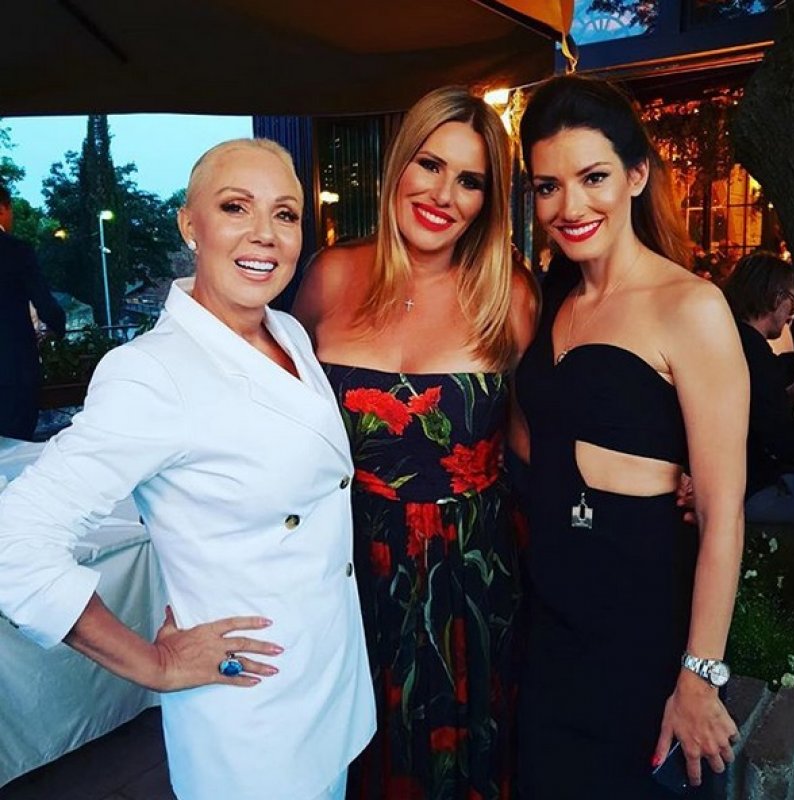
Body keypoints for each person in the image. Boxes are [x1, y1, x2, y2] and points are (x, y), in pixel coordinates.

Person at [0, 139, 375, 800]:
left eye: (285, 214)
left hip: (329, 687)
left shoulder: (287, 333)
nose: (265, 233)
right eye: (236, 207)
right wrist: (154, 665)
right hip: (249, 721)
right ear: (189, 224)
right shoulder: (151, 374)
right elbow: (14, 542)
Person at [293, 86, 537, 799]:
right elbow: (277, 421)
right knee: (350, 753)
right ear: (398, 164)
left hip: (471, 580)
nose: (443, 195)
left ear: (488, 200)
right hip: (344, 568)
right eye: (430, 164)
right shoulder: (329, 276)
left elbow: (538, 444)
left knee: (461, 766)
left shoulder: (510, 294)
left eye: (470, 180)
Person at [514, 75, 747, 799]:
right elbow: (531, 442)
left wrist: (699, 676)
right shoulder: (550, 299)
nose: (570, 206)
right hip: (548, 632)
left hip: (640, 638)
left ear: (637, 175)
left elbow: (723, 515)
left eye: (593, 178)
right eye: (548, 186)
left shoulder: (692, 307)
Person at [723, 250, 794, 524]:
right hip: (755, 489)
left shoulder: (732, 339)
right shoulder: (752, 352)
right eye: (792, 301)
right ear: (777, 298)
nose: (792, 312)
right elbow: (780, 436)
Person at [0, 184, 66, 440]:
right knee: (14, 444)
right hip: (12, 368)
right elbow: (45, 304)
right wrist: (56, 328)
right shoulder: (16, 251)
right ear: (3, 209)